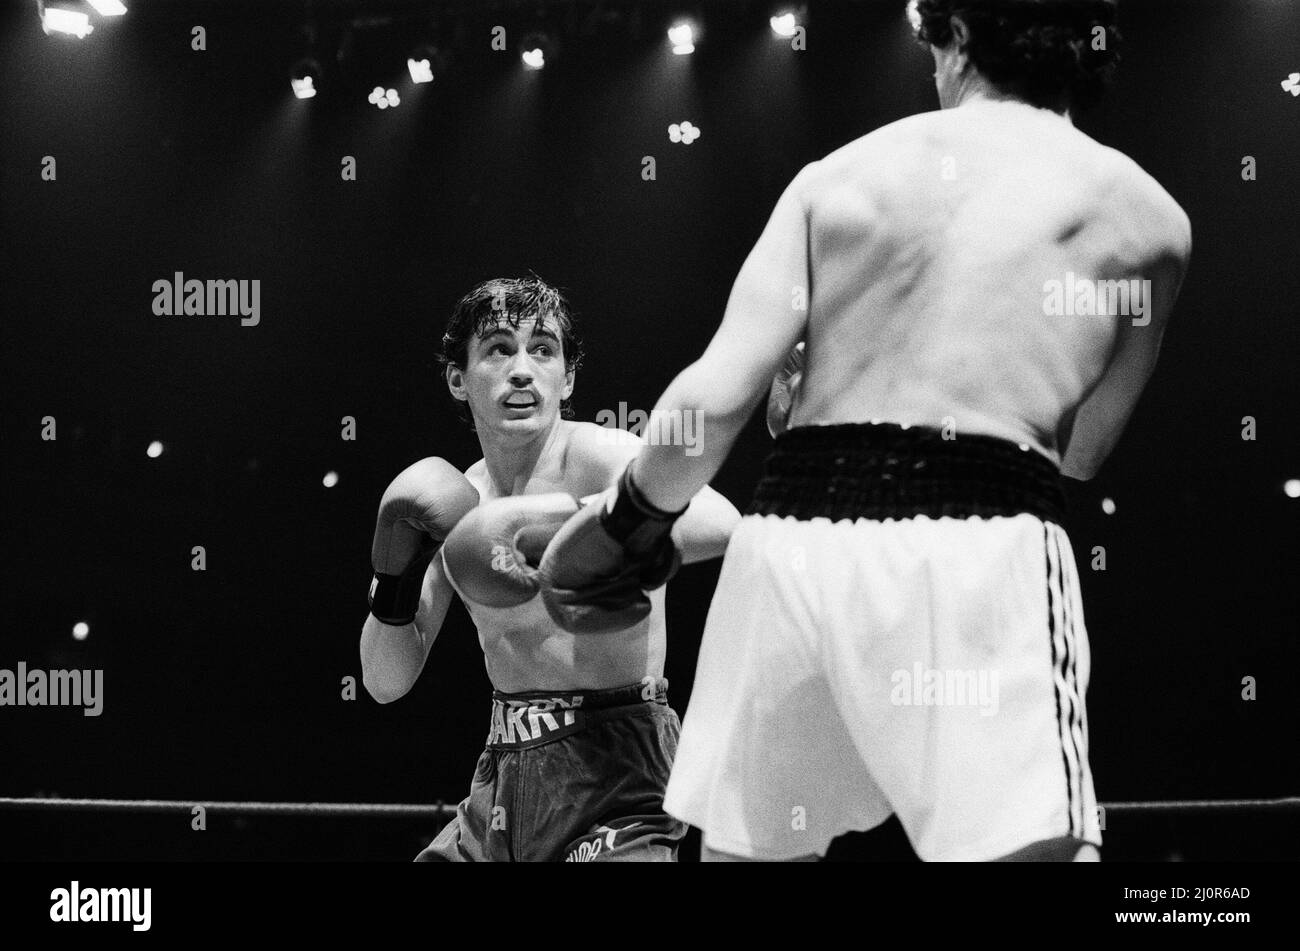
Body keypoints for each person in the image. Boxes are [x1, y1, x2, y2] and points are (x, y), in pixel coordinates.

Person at [541, 0, 1191, 861]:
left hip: (791, 540)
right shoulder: (1149, 218)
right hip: (982, 535)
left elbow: (716, 396)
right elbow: (1081, 453)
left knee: (756, 856)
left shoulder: (837, 176)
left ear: (958, 36)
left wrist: (627, 519)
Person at [360, 276, 739, 862]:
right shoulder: (456, 503)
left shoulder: (597, 456)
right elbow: (386, 684)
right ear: (458, 380)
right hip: (503, 776)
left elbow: (720, 520)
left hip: (616, 764)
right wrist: (394, 579)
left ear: (566, 378)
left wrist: (569, 526)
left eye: (543, 349)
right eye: (499, 348)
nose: (522, 369)